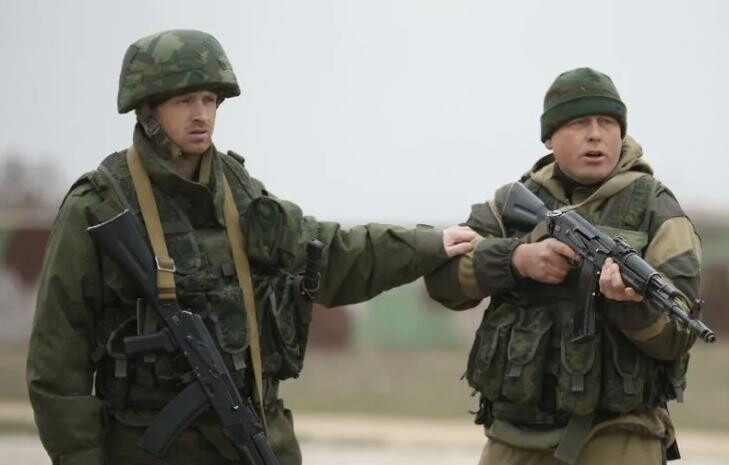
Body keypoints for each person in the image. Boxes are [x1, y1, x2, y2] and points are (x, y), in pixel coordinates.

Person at [26, 29, 477, 465]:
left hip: (253, 441)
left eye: (209, 100)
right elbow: (56, 361)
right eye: (184, 101)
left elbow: (327, 253)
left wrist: (429, 245)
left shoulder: (238, 192)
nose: (201, 115)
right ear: (147, 110)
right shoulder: (100, 206)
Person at [425, 67, 702, 464]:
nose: (595, 135)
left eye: (607, 123)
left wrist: (628, 304)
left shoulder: (657, 210)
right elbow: (442, 281)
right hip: (515, 435)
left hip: (619, 434)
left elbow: (679, 332)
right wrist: (516, 260)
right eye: (579, 123)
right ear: (549, 137)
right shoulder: (510, 204)